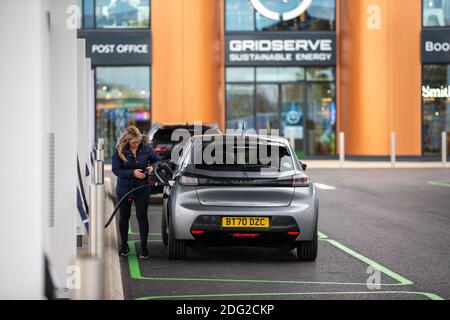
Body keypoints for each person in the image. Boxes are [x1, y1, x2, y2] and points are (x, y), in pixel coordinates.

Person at [112, 126, 161, 258]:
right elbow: (116, 170)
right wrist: (132, 172)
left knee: (142, 216)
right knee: (124, 217)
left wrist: (152, 167)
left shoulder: (145, 148)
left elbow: (157, 160)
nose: (137, 144)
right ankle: (124, 245)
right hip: (124, 188)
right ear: (127, 141)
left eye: (138, 141)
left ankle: (144, 248)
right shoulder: (119, 150)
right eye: (134, 142)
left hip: (142, 188)